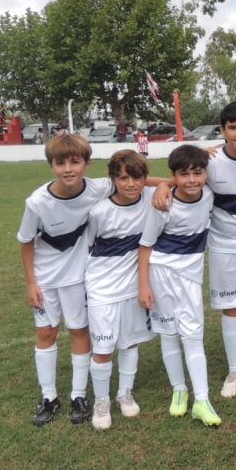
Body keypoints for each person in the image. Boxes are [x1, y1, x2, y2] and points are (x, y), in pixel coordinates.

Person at [156, 101, 236, 399]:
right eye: (233, 127)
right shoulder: (210, 161)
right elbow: (182, 179)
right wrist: (164, 185)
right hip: (222, 247)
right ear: (223, 130)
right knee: (232, 308)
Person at [16, 133, 116, 426]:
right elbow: (25, 241)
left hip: (78, 279)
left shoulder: (98, 188)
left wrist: (169, 184)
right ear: (51, 166)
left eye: (75, 162)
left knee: (79, 332)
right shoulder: (37, 202)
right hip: (45, 281)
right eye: (61, 163)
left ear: (87, 164)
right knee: (46, 332)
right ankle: (48, 397)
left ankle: (78, 395)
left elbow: (135, 179)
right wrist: (31, 283)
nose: (68, 169)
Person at [139, 144, 221, 426]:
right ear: (174, 176)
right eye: (184, 175)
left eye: (198, 173)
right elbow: (145, 247)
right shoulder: (163, 205)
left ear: (206, 174)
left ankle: (202, 400)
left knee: (193, 335)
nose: (192, 180)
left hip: (190, 276)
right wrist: (143, 286)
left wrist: (166, 181)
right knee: (169, 333)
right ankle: (179, 391)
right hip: (160, 273)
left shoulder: (209, 194)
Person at [85, 150, 157, 429]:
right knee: (103, 348)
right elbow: (88, 247)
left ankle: (124, 394)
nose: (131, 184)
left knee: (130, 342)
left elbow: (175, 183)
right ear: (113, 179)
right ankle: (101, 401)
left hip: (133, 288)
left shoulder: (150, 198)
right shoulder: (99, 211)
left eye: (137, 178)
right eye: (123, 178)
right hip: (102, 289)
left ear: (145, 178)